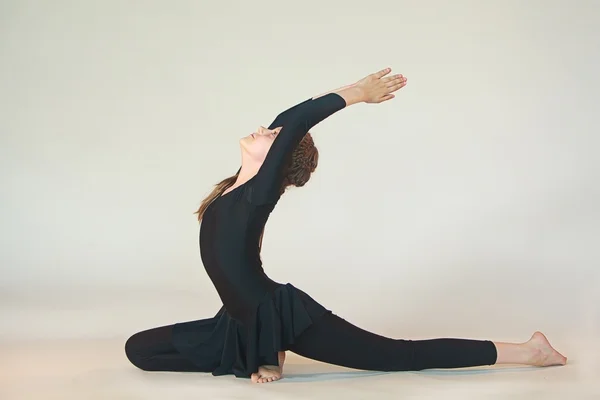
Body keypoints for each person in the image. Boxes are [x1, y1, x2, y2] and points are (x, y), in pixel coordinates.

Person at [124, 68, 567, 384]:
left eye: (271, 136)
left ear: (277, 159)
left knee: (397, 355)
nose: (262, 129)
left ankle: (529, 351)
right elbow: (289, 117)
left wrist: (358, 94)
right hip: (239, 321)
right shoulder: (233, 190)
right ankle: (261, 350)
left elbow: (296, 120)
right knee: (139, 351)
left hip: (280, 313)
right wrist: (261, 348)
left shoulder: (259, 193)